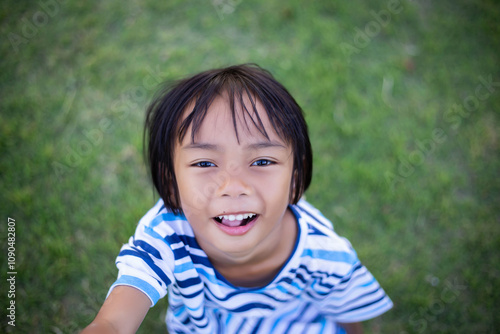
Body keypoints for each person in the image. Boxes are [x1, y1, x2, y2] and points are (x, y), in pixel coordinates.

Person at [82, 64, 393, 334]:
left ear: (295, 181)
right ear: (170, 183)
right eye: (204, 163)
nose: (233, 186)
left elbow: (349, 316)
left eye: (261, 162)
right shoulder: (166, 235)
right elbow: (114, 321)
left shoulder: (324, 253)